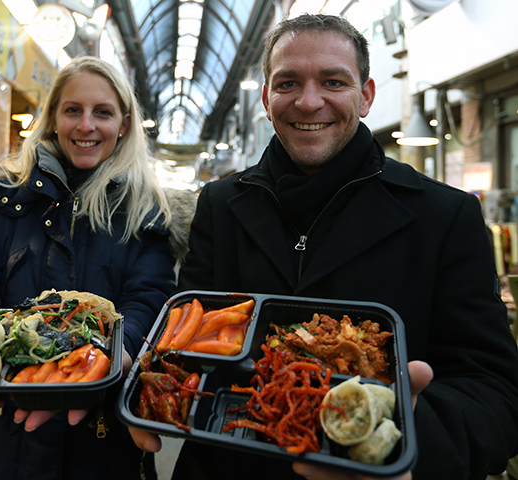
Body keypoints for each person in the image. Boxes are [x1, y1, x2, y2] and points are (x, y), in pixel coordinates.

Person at [129, 13, 518, 480]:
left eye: (333, 81)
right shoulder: (221, 203)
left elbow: (494, 392)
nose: (309, 101)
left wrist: (404, 442)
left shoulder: (445, 216)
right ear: (269, 102)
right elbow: (186, 339)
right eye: (287, 82)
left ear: (367, 96)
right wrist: (147, 384)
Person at [0, 56, 196, 480]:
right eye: (72, 110)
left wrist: (109, 358)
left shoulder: (148, 215)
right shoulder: (3, 202)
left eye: (103, 112)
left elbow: (147, 301)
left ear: (125, 124)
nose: (86, 125)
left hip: (99, 429)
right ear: (53, 116)